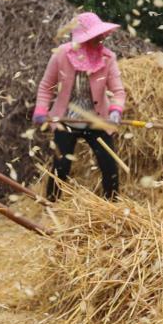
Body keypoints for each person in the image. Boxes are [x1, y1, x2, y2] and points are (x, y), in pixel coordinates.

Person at [32, 12, 126, 200]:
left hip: (97, 120)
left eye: (101, 35)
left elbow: (118, 91)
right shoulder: (61, 55)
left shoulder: (108, 58)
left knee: (109, 165)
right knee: (61, 166)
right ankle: (51, 206)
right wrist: (41, 110)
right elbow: (46, 86)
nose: (100, 39)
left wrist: (116, 110)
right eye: (95, 36)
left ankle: (112, 207)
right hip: (65, 119)